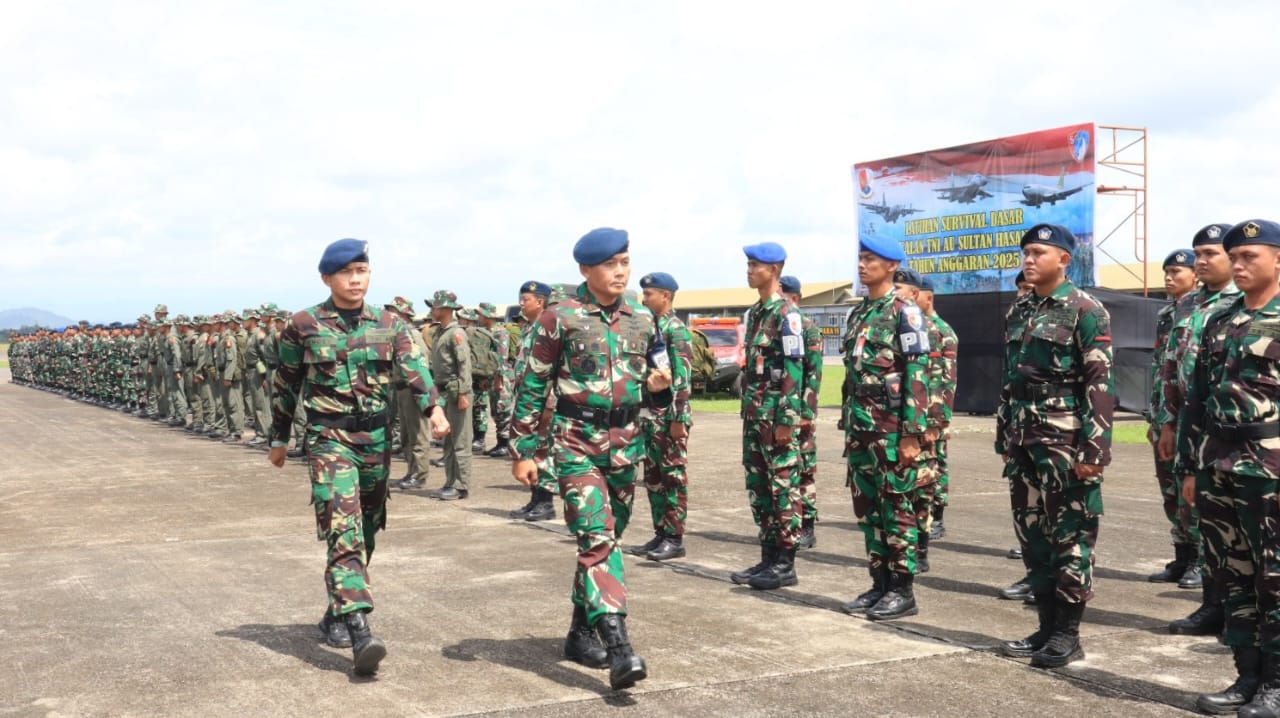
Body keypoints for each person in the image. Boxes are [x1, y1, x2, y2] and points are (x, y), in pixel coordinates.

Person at [267, 238, 448, 677]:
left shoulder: (391, 324)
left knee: (365, 527)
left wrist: (434, 408)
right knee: (342, 524)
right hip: (329, 440)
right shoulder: (303, 325)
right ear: (327, 278)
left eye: (362, 271)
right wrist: (279, 436)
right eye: (346, 273)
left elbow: (415, 371)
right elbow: (287, 381)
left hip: (376, 442)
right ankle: (360, 628)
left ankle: (336, 610)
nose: (355, 280)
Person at [509, 227, 672, 691]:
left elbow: (659, 384)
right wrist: (524, 450)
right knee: (597, 538)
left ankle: (581, 632)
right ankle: (619, 646)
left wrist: (659, 393)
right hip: (575, 442)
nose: (620, 272)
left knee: (606, 542)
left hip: (626, 444)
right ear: (586, 270)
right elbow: (534, 384)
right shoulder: (559, 318)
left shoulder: (643, 318)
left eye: (625, 262)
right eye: (610, 264)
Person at [996, 224, 1114, 668]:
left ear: (1064, 259)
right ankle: (1045, 627)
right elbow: (1011, 379)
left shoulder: (1085, 309)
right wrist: (1003, 434)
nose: (1028, 259)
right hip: (1024, 442)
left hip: (1065, 443)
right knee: (1033, 537)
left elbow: (1100, 381)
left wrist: (1095, 449)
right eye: (1025, 252)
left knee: (1071, 539)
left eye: (1039, 252)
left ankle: (1067, 634)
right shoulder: (1020, 309)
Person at [1178, 219, 1280, 716]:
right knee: (1232, 575)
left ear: (1278, 259)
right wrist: (1192, 468)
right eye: (1233, 258)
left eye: (1250, 257)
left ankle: (1277, 685)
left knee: (1275, 577)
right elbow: (1197, 400)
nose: (1238, 266)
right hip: (1219, 462)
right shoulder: (1220, 320)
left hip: (1271, 466)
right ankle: (1246, 675)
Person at [839, 245, 929, 621]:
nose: (862, 266)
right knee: (868, 507)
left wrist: (912, 433)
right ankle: (879, 582)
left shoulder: (904, 312)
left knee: (896, 505)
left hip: (891, 428)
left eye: (870, 261)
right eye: (860, 260)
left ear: (891, 266)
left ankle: (902, 589)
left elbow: (917, 374)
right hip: (861, 425)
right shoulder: (860, 312)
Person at [1160, 224, 1240, 636]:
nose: (1201, 261)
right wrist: (1169, 422)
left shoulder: (1246, 303)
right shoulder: (1188, 303)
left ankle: (1243, 614)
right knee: (1206, 517)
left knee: (1243, 529)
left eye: (1210, 253)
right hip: (1194, 428)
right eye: (1198, 254)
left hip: (1238, 431)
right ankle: (1213, 604)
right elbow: (1172, 366)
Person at [730, 242, 807, 591]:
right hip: (755, 415)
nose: (749, 271)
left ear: (774, 270)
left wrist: (786, 421)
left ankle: (785, 563)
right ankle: (768, 556)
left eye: (755, 265)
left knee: (782, 488)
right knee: (760, 489)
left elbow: (794, 370)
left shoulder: (786, 315)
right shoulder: (757, 313)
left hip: (776, 417)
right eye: (748, 265)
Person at [627, 271, 693, 561]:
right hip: (649, 414)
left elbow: (682, 378)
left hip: (669, 417)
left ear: (665, 295)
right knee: (653, 478)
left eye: (649, 293)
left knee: (672, 477)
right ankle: (660, 533)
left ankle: (675, 537)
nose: (644, 298)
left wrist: (679, 419)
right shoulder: (650, 328)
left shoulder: (675, 330)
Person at [505, 281, 558, 522]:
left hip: (545, 402)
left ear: (540, 301)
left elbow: (553, 371)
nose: (521, 304)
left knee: (544, 450)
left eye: (525, 299)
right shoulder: (528, 328)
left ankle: (546, 502)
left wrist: (549, 404)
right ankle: (535, 498)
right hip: (529, 401)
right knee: (532, 450)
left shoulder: (550, 329)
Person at [917, 277, 958, 548]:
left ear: (928, 298)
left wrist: (939, 418)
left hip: (935, 411)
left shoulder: (943, 332)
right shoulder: (913, 327)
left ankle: (938, 516)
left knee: (937, 464)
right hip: (916, 410)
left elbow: (946, 380)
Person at [426, 290, 473, 501]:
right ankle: (449, 482)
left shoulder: (456, 334)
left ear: (445, 309)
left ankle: (461, 485)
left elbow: (464, 365)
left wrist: (463, 393)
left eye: (435, 307)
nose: (432, 310)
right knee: (448, 441)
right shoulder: (440, 332)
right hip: (444, 391)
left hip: (456, 391)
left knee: (460, 440)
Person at [385, 297, 434, 490]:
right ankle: (411, 471)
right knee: (406, 434)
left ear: (404, 313)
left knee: (418, 434)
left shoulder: (412, 333)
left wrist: (421, 390)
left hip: (413, 388)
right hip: (400, 388)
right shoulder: (398, 332)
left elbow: (422, 361)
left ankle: (420, 475)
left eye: (393, 310)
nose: (389, 313)